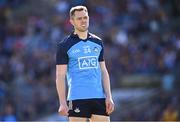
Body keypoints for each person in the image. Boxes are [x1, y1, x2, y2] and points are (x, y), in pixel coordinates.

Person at [56, 5, 114, 122]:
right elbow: (60, 76)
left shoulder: (97, 42)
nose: (83, 21)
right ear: (72, 21)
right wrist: (62, 102)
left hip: (98, 97)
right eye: (79, 18)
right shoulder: (64, 45)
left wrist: (109, 96)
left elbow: (103, 70)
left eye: (85, 17)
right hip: (77, 98)